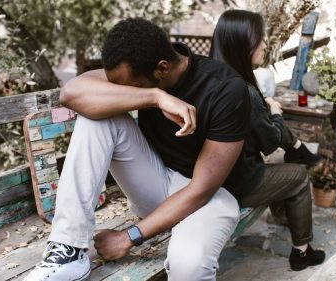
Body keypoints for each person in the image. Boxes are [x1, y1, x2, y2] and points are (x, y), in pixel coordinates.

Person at [24, 18, 251, 281]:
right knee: (96, 116)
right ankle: (69, 250)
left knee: (189, 266)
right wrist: (156, 97)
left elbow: (201, 191)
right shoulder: (141, 70)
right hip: (158, 183)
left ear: (162, 69)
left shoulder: (226, 89)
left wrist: (128, 236)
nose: (124, 93)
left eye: (132, 89)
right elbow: (71, 93)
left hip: (210, 199)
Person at [209, 9, 325, 271]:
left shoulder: (212, 78)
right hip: (237, 182)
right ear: (242, 44)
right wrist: (273, 113)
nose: (264, 44)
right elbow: (269, 142)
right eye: (260, 38)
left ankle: (297, 149)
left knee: (277, 126)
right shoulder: (243, 91)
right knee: (298, 176)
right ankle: (302, 253)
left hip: (214, 175)